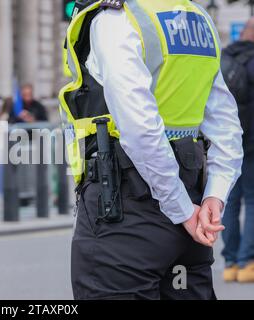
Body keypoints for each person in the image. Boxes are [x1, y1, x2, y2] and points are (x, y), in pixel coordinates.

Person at [60, 0, 243, 300]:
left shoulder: (117, 19)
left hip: (125, 209)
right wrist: (215, 195)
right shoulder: (200, 20)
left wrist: (181, 209)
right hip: (192, 206)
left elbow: (141, 129)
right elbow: (226, 125)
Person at [221, 18, 254, 283]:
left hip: (229, 143)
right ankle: (247, 263)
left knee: (230, 202)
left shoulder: (224, 59)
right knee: (252, 202)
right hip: (252, 144)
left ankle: (230, 263)